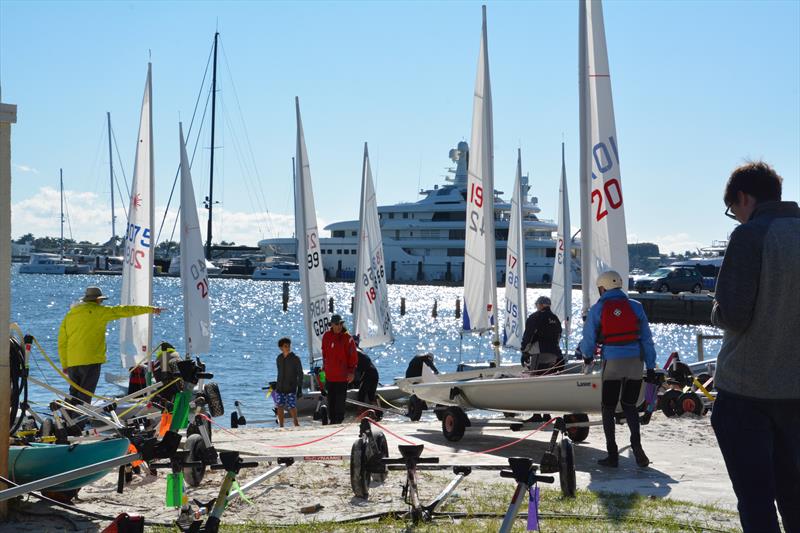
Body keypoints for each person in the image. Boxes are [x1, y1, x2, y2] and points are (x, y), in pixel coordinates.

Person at [710, 161, 799, 533]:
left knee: (756, 501)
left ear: (744, 198)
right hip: (795, 392)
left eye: (734, 211)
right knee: (795, 499)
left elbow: (733, 315)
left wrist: (714, 309)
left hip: (747, 392)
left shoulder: (750, 235)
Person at [576, 270, 656, 468]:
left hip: (612, 361)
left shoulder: (598, 308)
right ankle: (637, 447)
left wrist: (586, 356)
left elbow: (589, 338)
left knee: (608, 407)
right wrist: (651, 366)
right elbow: (646, 339)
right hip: (635, 362)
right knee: (629, 406)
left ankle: (612, 454)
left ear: (602, 288)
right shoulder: (636, 306)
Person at [57, 286, 161, 405]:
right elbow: (125, 310)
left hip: (72, 362)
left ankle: (67, 420)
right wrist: (150, 309)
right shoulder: (100, 311)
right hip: (91, 360)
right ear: (98, 300)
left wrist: (65, 364)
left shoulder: (70, 315)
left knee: (73, 394)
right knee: (85, 394)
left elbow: (62, 342)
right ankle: (79, 422)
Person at [321, 314, 357, 424]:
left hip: (342, 377)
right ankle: (332, 422)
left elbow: (353, 356)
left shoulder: (347, 338)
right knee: (331, 401)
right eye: (337, 324)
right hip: (330, 376)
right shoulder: (326, 336)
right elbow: (325, 354)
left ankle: (339, 422)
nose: (339, 326)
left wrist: (351, 372)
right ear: (331, 324)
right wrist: (324, 369)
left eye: (341, 324)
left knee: (340, 402)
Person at [520, 296, 564, 374]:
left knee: (535, 377)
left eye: (536, 304)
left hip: (540, 353)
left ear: (541, 305)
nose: (536, 306)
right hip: (554, 354)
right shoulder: (555, 319)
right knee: (547, 376)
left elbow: (528, 336)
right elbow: (558, 336)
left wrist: (524, 351)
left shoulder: (534, 317)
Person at [275, 337, 303, 428]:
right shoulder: (279, 358)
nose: (288, 347)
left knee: (292, 406)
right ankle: (281, 425)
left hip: (291, 387)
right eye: (285, 346)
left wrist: (299, 389)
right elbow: (279, 372)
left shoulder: (295, 358)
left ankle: (296, 422)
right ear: (281, 348)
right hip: (280, 387)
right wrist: (276, 384)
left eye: (289, 346)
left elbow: (300, 374)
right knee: (280, 406)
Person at [352, 337, 380, 406]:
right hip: (375, 373)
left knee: (361, 395)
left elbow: (354, 370)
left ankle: (359, 414)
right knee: (371, 396)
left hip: (368, 374)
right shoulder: (360, 351)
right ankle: (378, 413)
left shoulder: (353, 352)